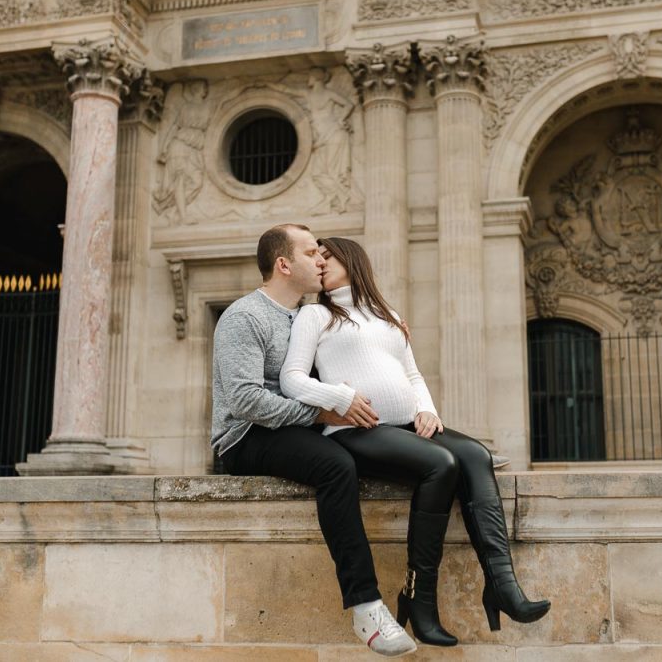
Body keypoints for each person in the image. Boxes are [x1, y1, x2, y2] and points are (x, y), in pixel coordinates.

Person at [280, 236, 550, 646]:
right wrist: (341, 397)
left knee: (475, 454)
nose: (319, 263)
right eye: (315, 256)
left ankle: (502, 585)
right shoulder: (314, 315)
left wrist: (427, 409)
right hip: (357, 431)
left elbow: (412, 374)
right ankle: (419, 599)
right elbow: (292, 379)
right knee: (441, 464)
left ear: (352, 260)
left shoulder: (387, 314)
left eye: (327, 256)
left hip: (407, 424)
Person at [211, 224, 417, 657]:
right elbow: (245, 400)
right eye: (311, 253)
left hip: (299, 429)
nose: (322, 259)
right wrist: (320, 414)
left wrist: (385, 331)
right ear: (283, 265)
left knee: (365, 446)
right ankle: (366, 607)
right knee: (335, 465)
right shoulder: (244, 317)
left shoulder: (308, 314)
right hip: (246, 436)